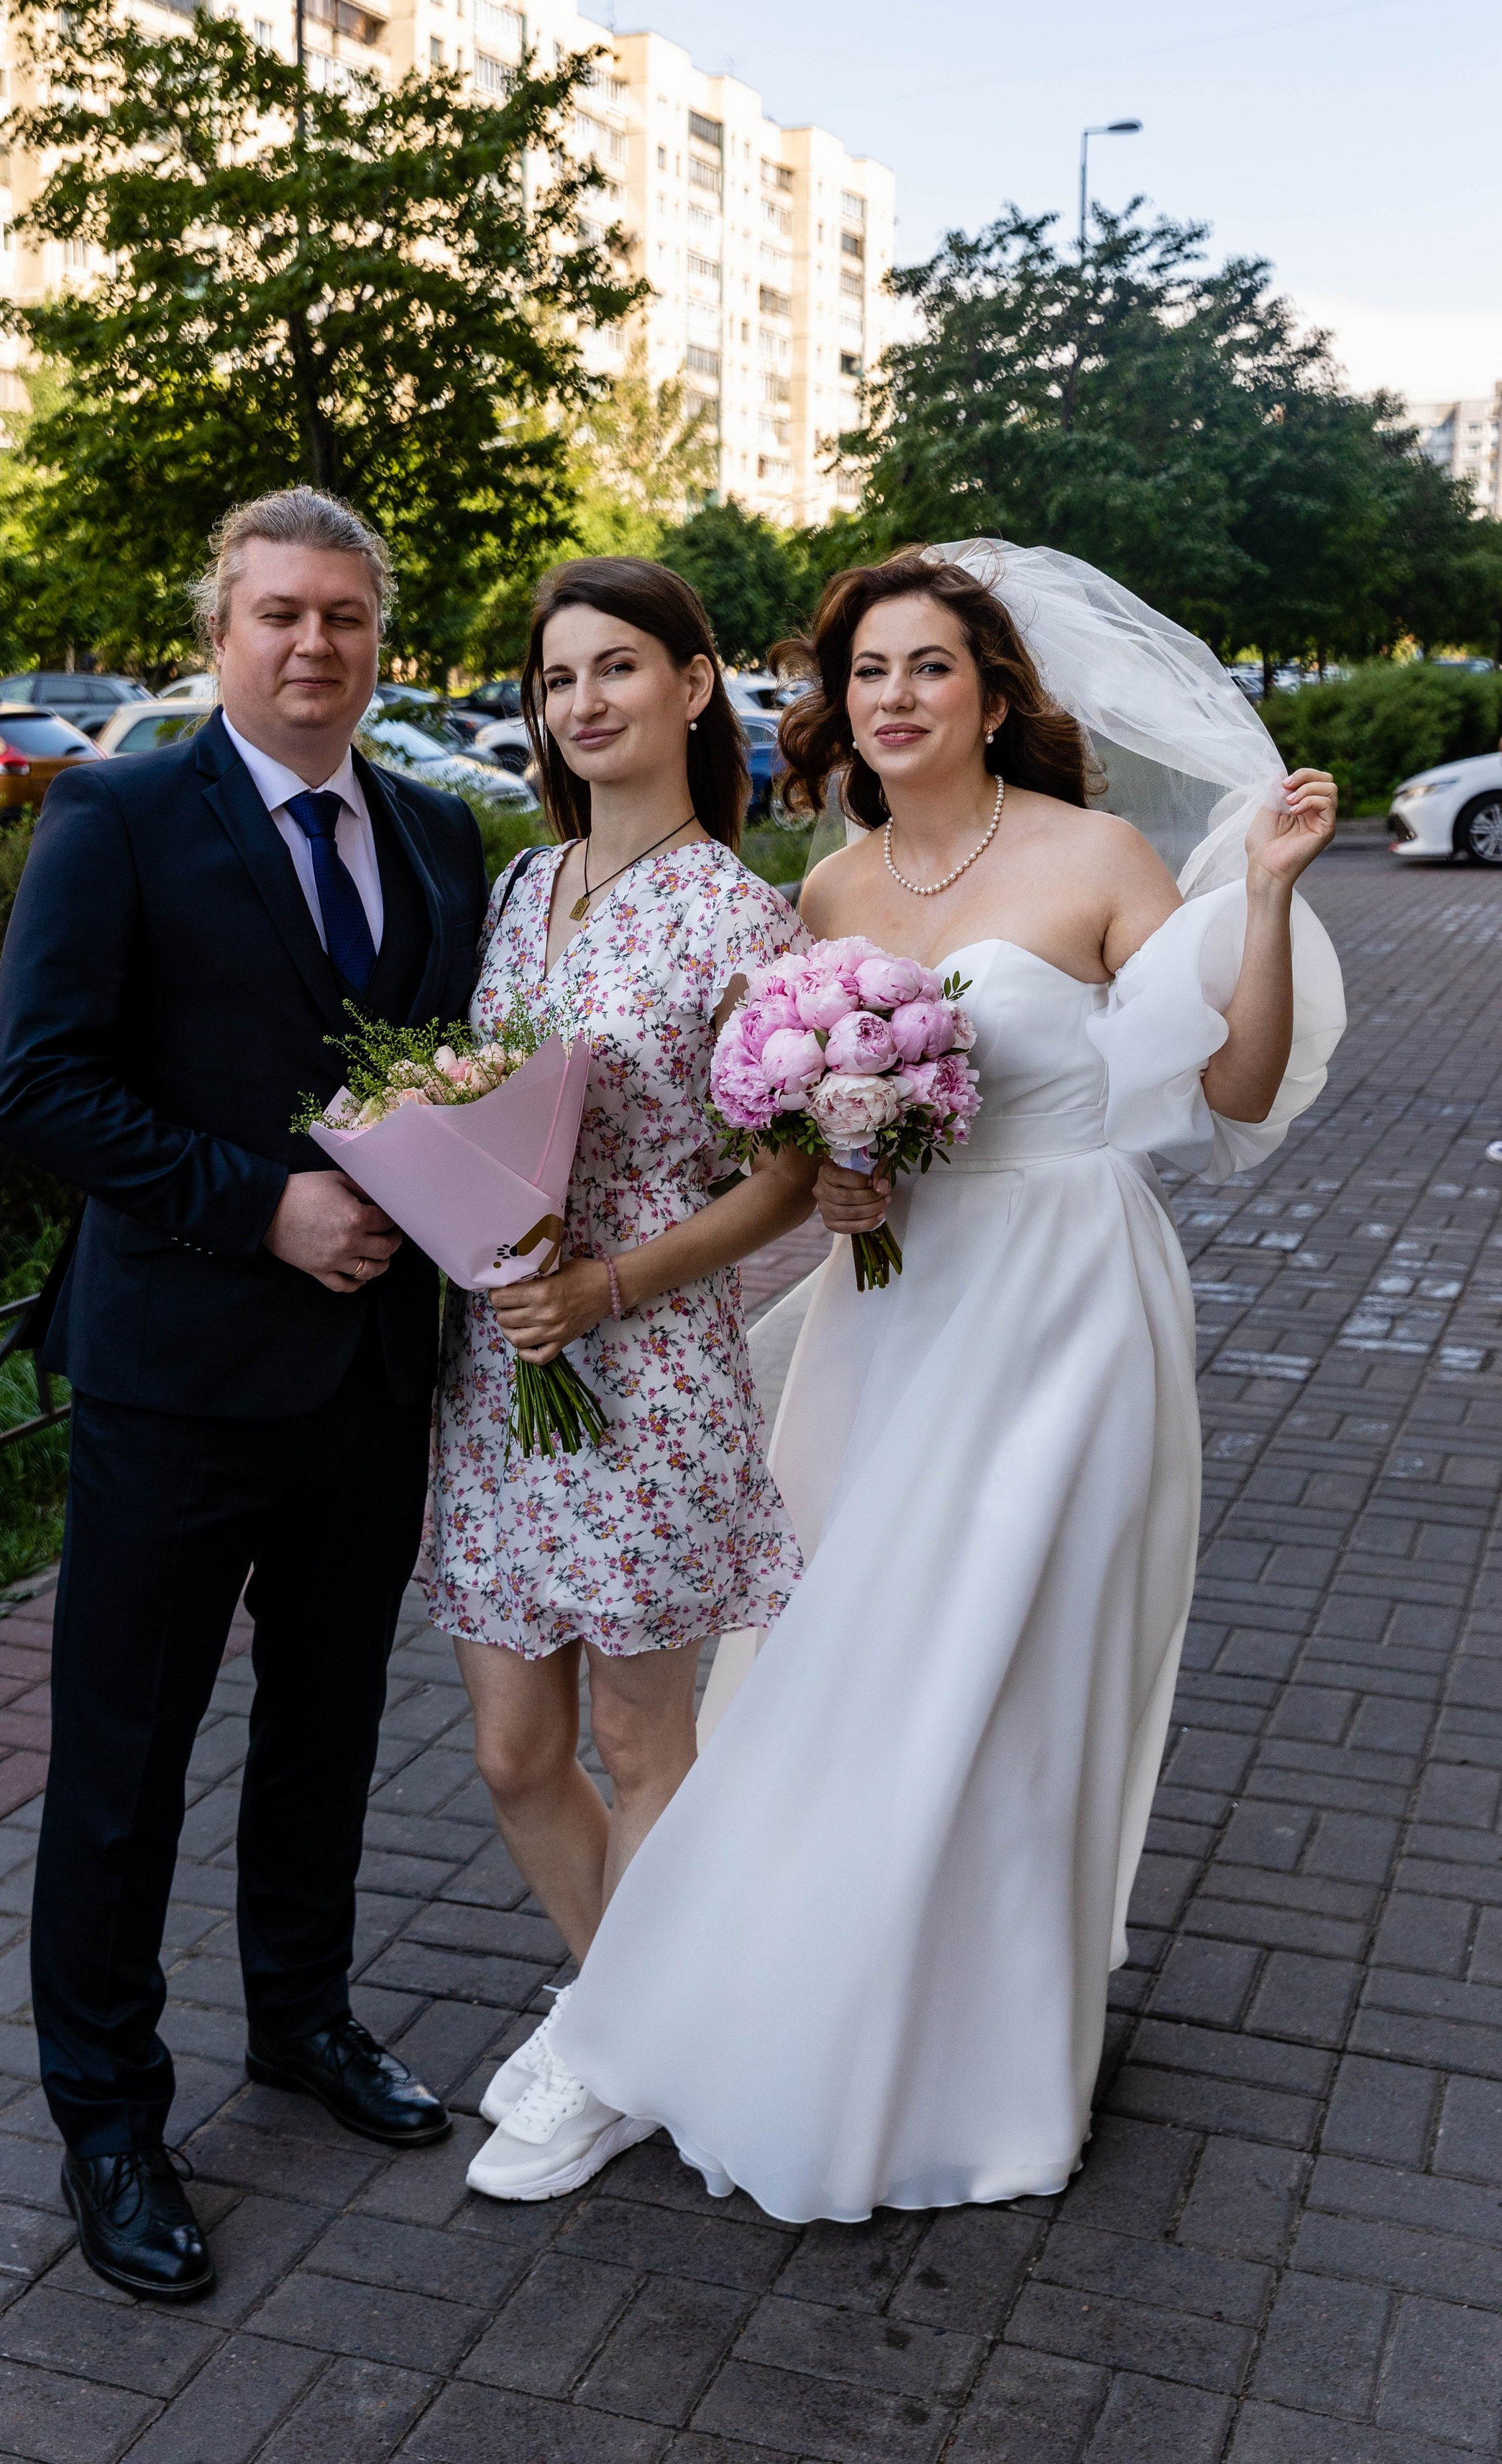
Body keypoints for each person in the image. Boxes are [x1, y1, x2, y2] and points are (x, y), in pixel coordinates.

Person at [467, 540, 1345, 2215]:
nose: (891, 698)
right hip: (890, 1306)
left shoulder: (1090, 857)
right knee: (826, 1665)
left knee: (1009, 1676)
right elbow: (801, 1143)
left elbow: (1231, 1086)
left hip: (1065, 1306)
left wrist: (1269, 897)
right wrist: (844, 1169)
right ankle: (773, 1991)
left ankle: (991, 2041)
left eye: (927, 668)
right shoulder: (824, 892)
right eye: (864, 673)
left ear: (993, 696)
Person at [0, 487, 488, 2302]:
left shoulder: (437, 836)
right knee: (120, 1767)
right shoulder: (117, 815)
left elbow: (451, 1091)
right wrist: (258, 1203)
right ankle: (109, 2119)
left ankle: (304, 2020)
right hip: (176, 1385)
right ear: (219, 631)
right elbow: (36, 1083)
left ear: (378, 642)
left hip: (367, 1379)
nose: (312, 646)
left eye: (345, 618)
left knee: (329, 1729)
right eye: (278, 613)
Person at [421, 557, 817, 2199]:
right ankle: (632, 2009)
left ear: (693, 685)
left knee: (648, 1750)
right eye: (554, 677)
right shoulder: (527, 887)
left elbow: (787, 1177)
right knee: (515, 1751)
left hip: (646, 1378)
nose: (580, 702)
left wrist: (608, 1282)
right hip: (502, 1375)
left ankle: (615, 2056)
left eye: (616, 669)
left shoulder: (740, 913)